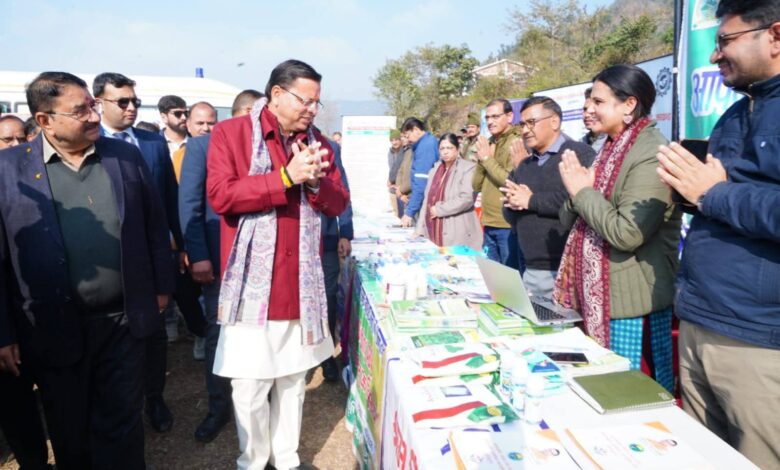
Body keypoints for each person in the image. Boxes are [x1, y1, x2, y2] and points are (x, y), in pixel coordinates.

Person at [0, 71, 173, 469]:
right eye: (80, 111)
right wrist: (3, 333)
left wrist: (161, 286)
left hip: (123, 321)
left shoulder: (123, 156)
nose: (94, 116)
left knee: (123, 424)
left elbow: (153, 224)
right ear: (44, 120)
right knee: (70, 427)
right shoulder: (8, 170)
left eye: (93, 106)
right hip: (52, 325)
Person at [207, 59, 349, 470]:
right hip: (252, 286)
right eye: (305, 100)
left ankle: (287, 458)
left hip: (299, 283)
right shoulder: (231, 134)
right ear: (276, 94)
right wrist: (285, 178)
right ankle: (252, 460)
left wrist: (315, 181)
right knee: (250, 384)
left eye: (317, 102)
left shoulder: (320, 144)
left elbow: (339, 202)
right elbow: (222, 196)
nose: (312, 109)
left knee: (293, 379)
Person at [656, 1, 780, 467]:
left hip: (755, 339)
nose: (714, 56)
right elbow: (720, 198)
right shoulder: (735, 114)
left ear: (775, 36)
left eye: (726, 41)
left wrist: (712, 194)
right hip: (700, 319)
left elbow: (722, 196)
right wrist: (686, 190)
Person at [555, 64, 680, 393]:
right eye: (589, 101)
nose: (589, 108)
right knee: (601, 393)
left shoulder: (650, 153)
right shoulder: (608, 150)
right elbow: (568, 220)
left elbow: (628, 233)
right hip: (597, 299)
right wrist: (578, 193)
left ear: (629, 105)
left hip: (632, 309)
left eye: (598, 102)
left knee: (633, 396)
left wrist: (582, 193)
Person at [93, 71, 205, 434]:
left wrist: (183, 245)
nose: (131, 108)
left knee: (154, 334)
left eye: (135, 102)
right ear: (99, 102)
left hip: (153, 256)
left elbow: (171, 199)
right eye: (122, 101)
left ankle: (154, 398)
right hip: (106, 262)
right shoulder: (90, 143)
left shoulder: (152, 144)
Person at [179, 89, 264, 443]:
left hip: (260, 259)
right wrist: (198, 254)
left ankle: (256, 402)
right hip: (219, 258)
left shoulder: (268, 147)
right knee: (219, 333)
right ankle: (218, 407)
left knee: (257, 334)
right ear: (240, 113)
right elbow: (190, 204)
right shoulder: (203, 146)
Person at [502, 97, 596, 300]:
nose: (525, 130)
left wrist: (531, 201)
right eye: (522, 124)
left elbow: (580, 200)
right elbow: (509, 210)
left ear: (554, 122)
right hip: (530, 268)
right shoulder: (525, 165)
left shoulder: (578, 154)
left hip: (566, 267)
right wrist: (512, 202)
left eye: (531, 123)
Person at [0, 114, 51, 470]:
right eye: (7, 140)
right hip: (7, 321)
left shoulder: (43, 179)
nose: (17, 146)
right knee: (16, 405)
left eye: (22, 138)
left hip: (43, 315)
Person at [472, 99, 524, 270]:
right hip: (489, 221)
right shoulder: (491, 142)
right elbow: (476, 184)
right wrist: (482, 159)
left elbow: (510, 180)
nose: (490, 122)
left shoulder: (516, 142)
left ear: (509, 116)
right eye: (487, 118)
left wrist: (487, 159)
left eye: (495, 116)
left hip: (506, 223)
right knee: (493, 275)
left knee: (509, 275)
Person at [319, 137, 353, 382]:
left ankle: (326, 355)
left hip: (326, 237)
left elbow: (342, 191)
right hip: (290, 241)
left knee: (327, 296)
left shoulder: (329, 146)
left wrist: (345, 233)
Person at [414, 133, 482, 251]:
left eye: (449, 148)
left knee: (455, 260)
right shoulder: (434, 170)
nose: (445, 152)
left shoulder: (468, 168)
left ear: (457, 149)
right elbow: (426, 201)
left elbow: (467, 198)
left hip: (457, 229)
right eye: (442, 148)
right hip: (432, 227)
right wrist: (419, 229)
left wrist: (439, 210)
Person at [399, 117, 439, 228]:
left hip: (428, 201)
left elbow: (421, 182)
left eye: (408, 136)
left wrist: (409, 212)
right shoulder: (426, 142)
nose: (408, 140)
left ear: (416, 130)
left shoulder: (426, 147)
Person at [580, 87, 607, 153]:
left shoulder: (613, 142)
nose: (586, 115)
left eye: (593, 109)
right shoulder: (580, 143)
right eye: (585, 109)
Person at [394, 133, 413, 217]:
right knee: (401, 218)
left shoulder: (418, 152)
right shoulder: (407, 152)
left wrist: (401, 190)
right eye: (402, 137)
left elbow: (414, 176)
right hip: (401, 193)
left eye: (405, 136)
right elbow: (400, 170)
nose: (402, 139)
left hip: (410, 195)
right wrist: (399, 189)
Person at [387, 129, 404, 216]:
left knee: (403, 214)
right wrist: (390, 180)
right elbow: (392, 169)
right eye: (392, 140)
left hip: (402, 188)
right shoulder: (390, 152)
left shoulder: (405, 151)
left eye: (396, 140)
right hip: (393, 187)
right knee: (396, 214)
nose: (394, 142)